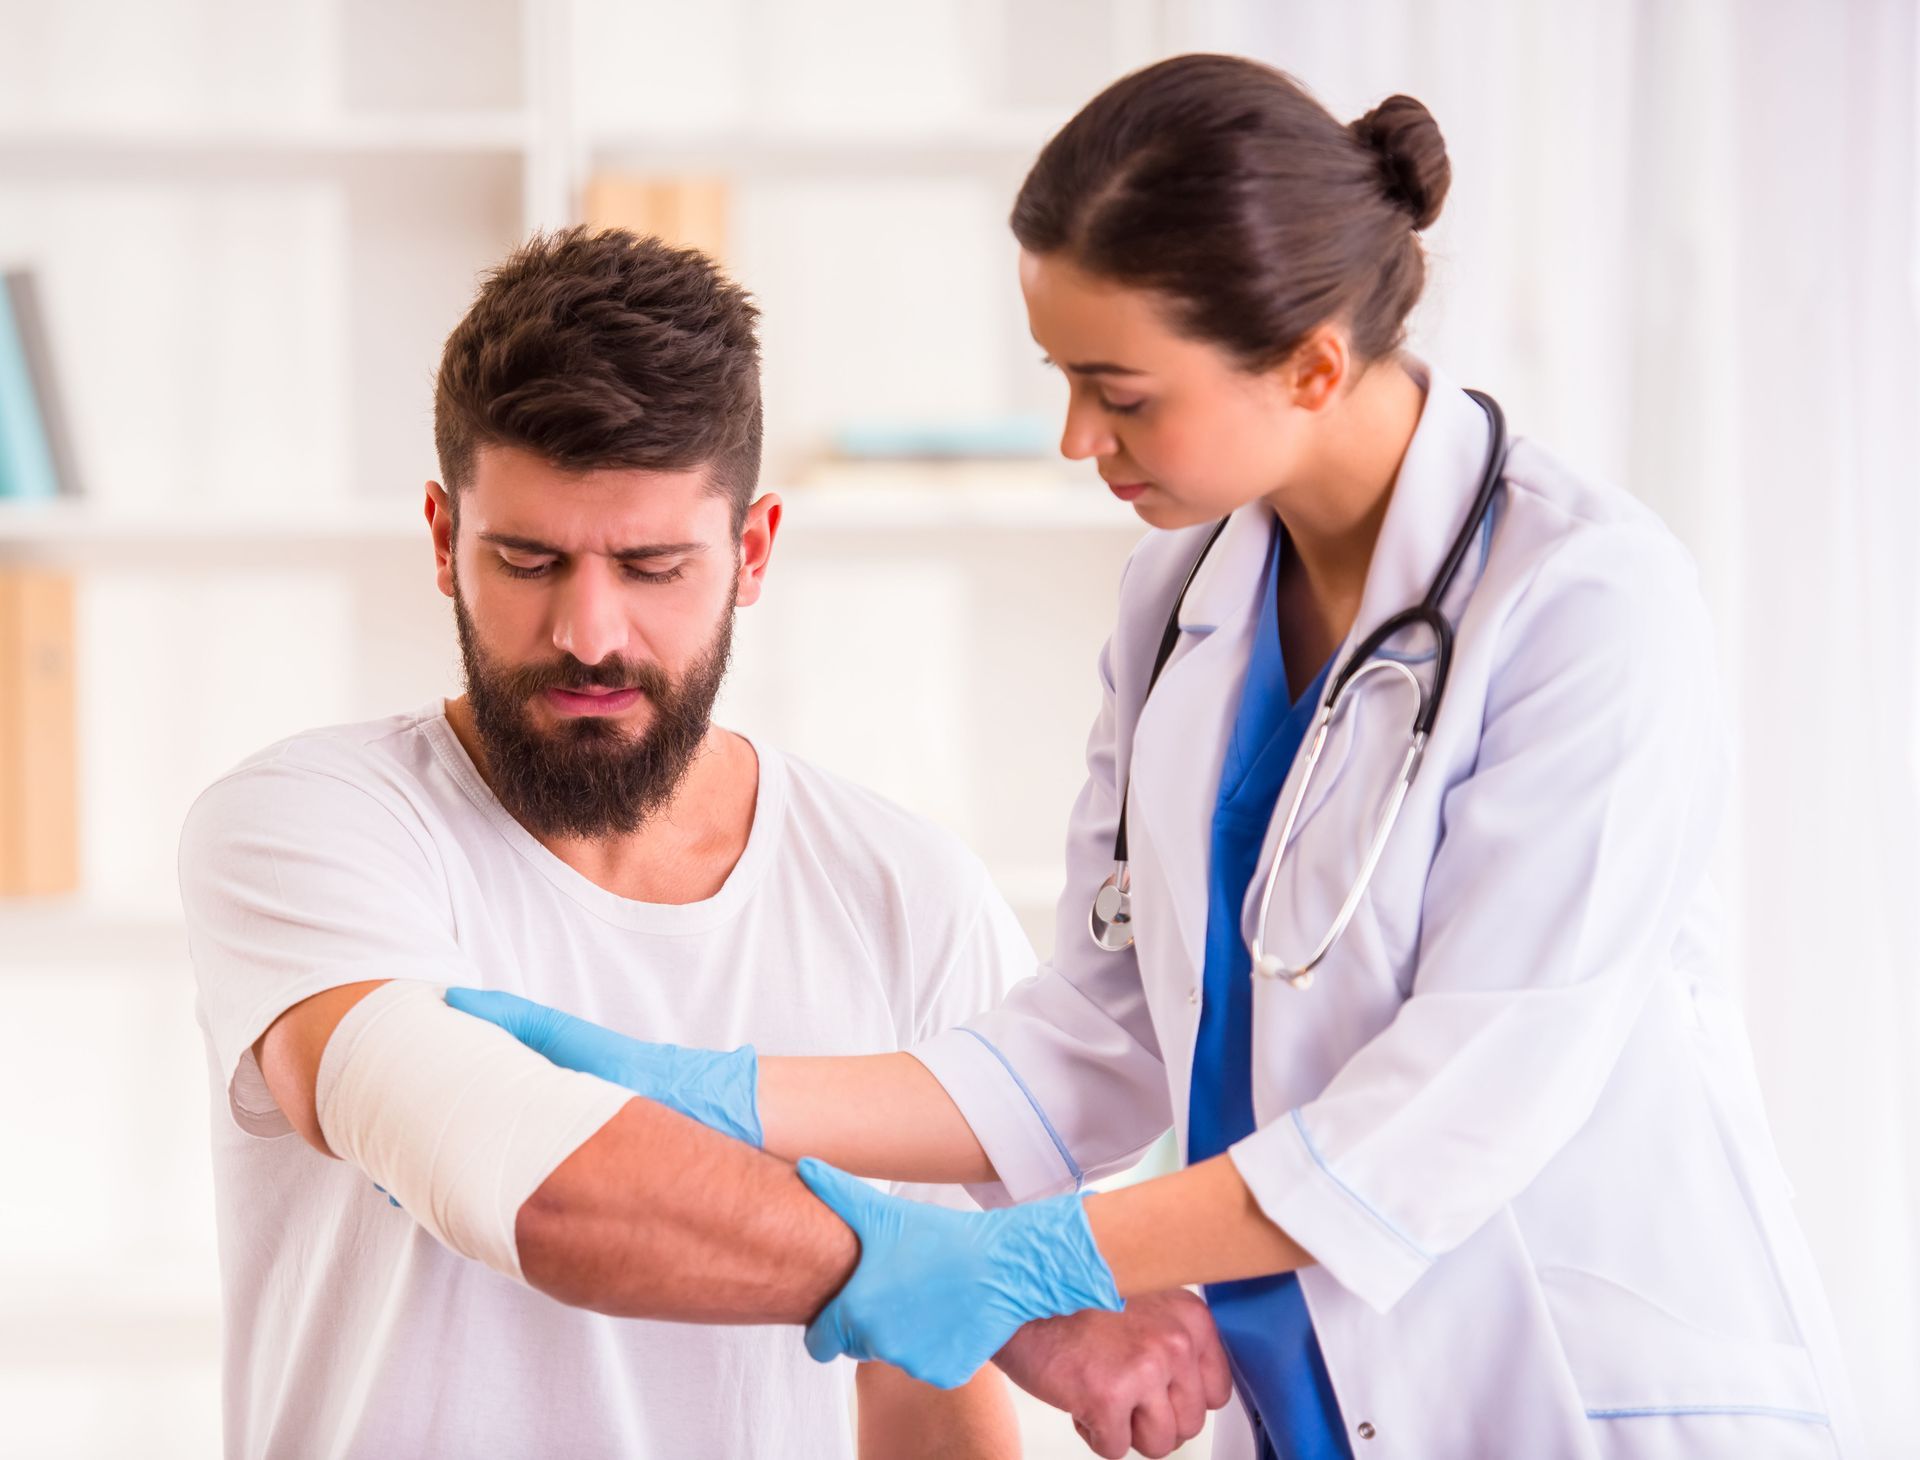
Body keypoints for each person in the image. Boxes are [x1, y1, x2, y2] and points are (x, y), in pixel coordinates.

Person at [458, 54, 1865, 1460]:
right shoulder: (1180, 601)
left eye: (1122, 393)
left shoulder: (1586, 604)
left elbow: (1445, 1115)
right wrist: (715, 1090)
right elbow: (1089, 1042)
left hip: (1584, 1400)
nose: (1079, 439)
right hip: (1314, 1400)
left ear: (1313, 361)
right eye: (1064, 379)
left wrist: (1038, 1266)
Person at [176, 226, 1231, 1460]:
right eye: (526, 558)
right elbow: (508, 1165)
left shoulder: (901, 891)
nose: (587, 629)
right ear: (440, 536)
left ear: (754, 550)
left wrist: (975, 1298)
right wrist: (992, 1297)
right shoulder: (311, 824)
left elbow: (920, 1391)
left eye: (652, 563)